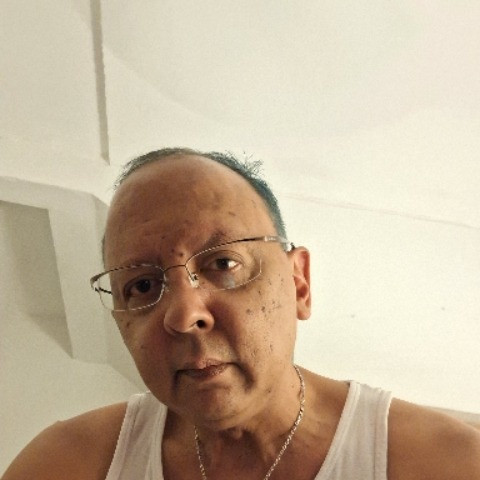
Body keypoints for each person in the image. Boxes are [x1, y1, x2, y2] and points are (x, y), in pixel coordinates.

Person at [3, 148, 480, 480]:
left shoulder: (443, 463)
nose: (184, 314)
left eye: (224, 264)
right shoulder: (65, 465)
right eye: (142, 285)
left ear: (298, 283)